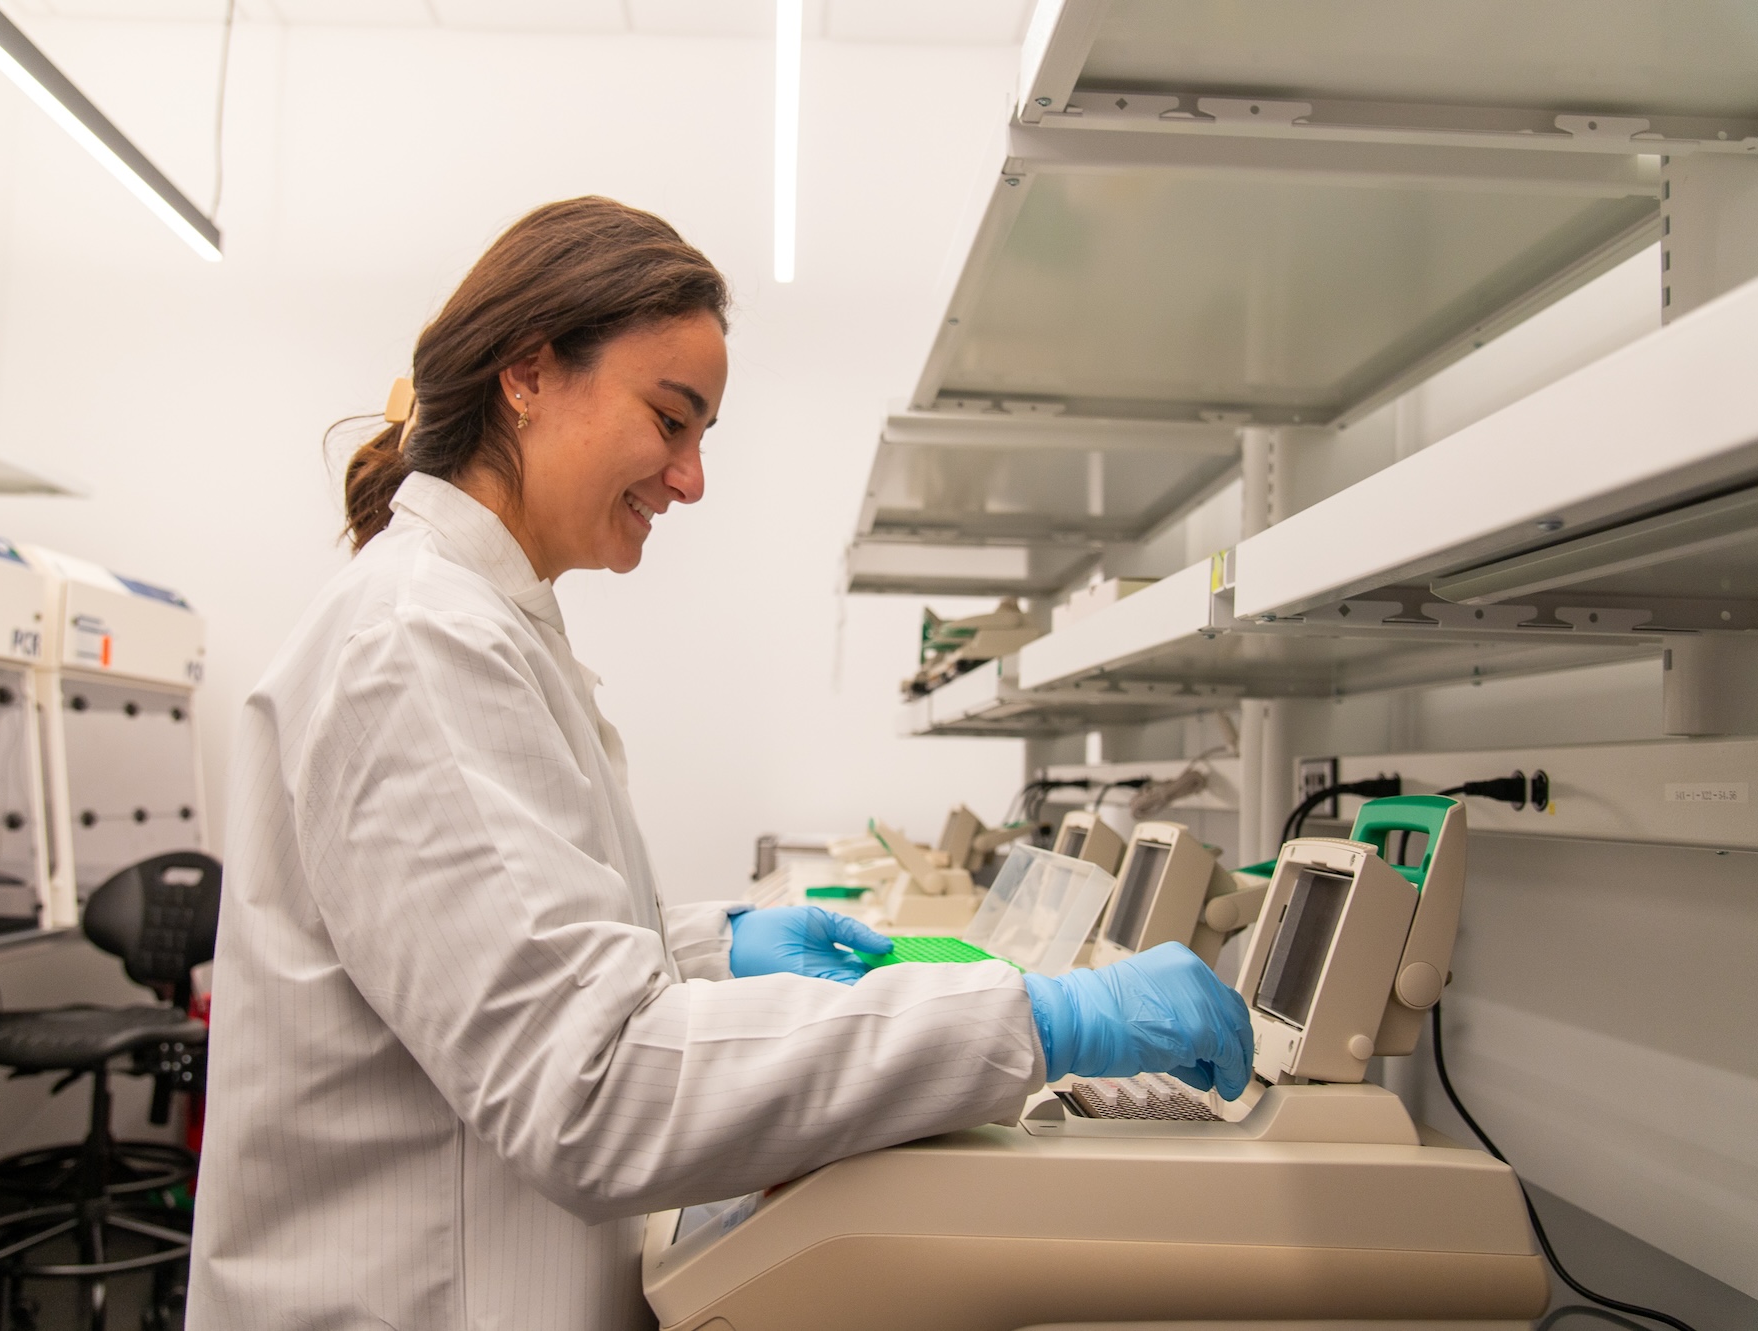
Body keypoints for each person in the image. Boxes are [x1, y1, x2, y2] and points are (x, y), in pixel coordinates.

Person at [186, 196, 1253, 1330]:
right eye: (669, 419)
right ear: (528, 373)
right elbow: (595, 1088)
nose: (688, 478)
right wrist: (1033, 1019)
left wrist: (701, 945)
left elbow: (488, 944)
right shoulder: (416, 640)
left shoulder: (472, 621)